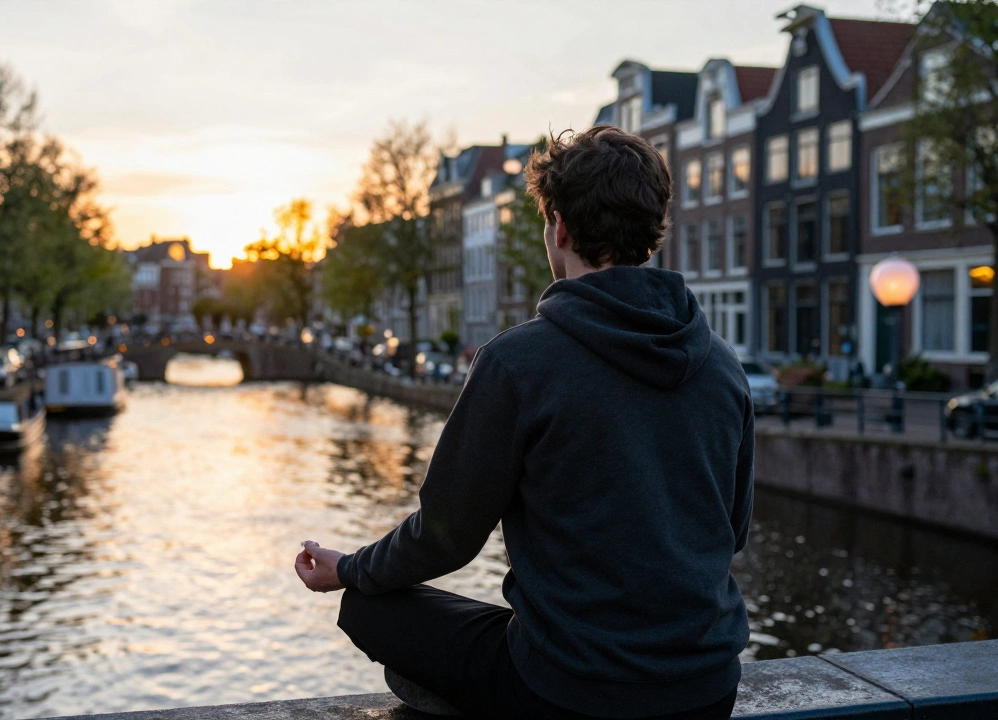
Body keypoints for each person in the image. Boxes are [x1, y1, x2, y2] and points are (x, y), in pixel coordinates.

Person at [295, 125, 753, 720]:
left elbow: (445, 536)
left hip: (570, 694)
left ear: (559, 228)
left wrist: (350, 568)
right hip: (707, 691)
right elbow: (732, 530)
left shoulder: (519, 362)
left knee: (368, 605)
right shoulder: (722, 364)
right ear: (654, 229)